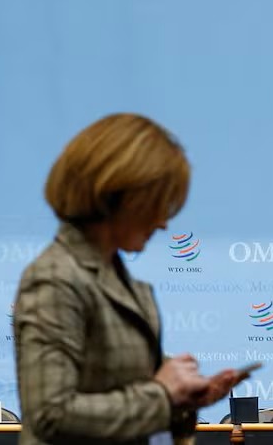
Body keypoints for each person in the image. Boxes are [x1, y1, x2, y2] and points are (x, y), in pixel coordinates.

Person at [14, 113, 240, 444]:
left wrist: (185, 396)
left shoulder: (115, 277)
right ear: (120, 195)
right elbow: (51, 415)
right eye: (158, 204)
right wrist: (163, 396)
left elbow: (123, 389)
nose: (163, 223)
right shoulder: (55, 278)